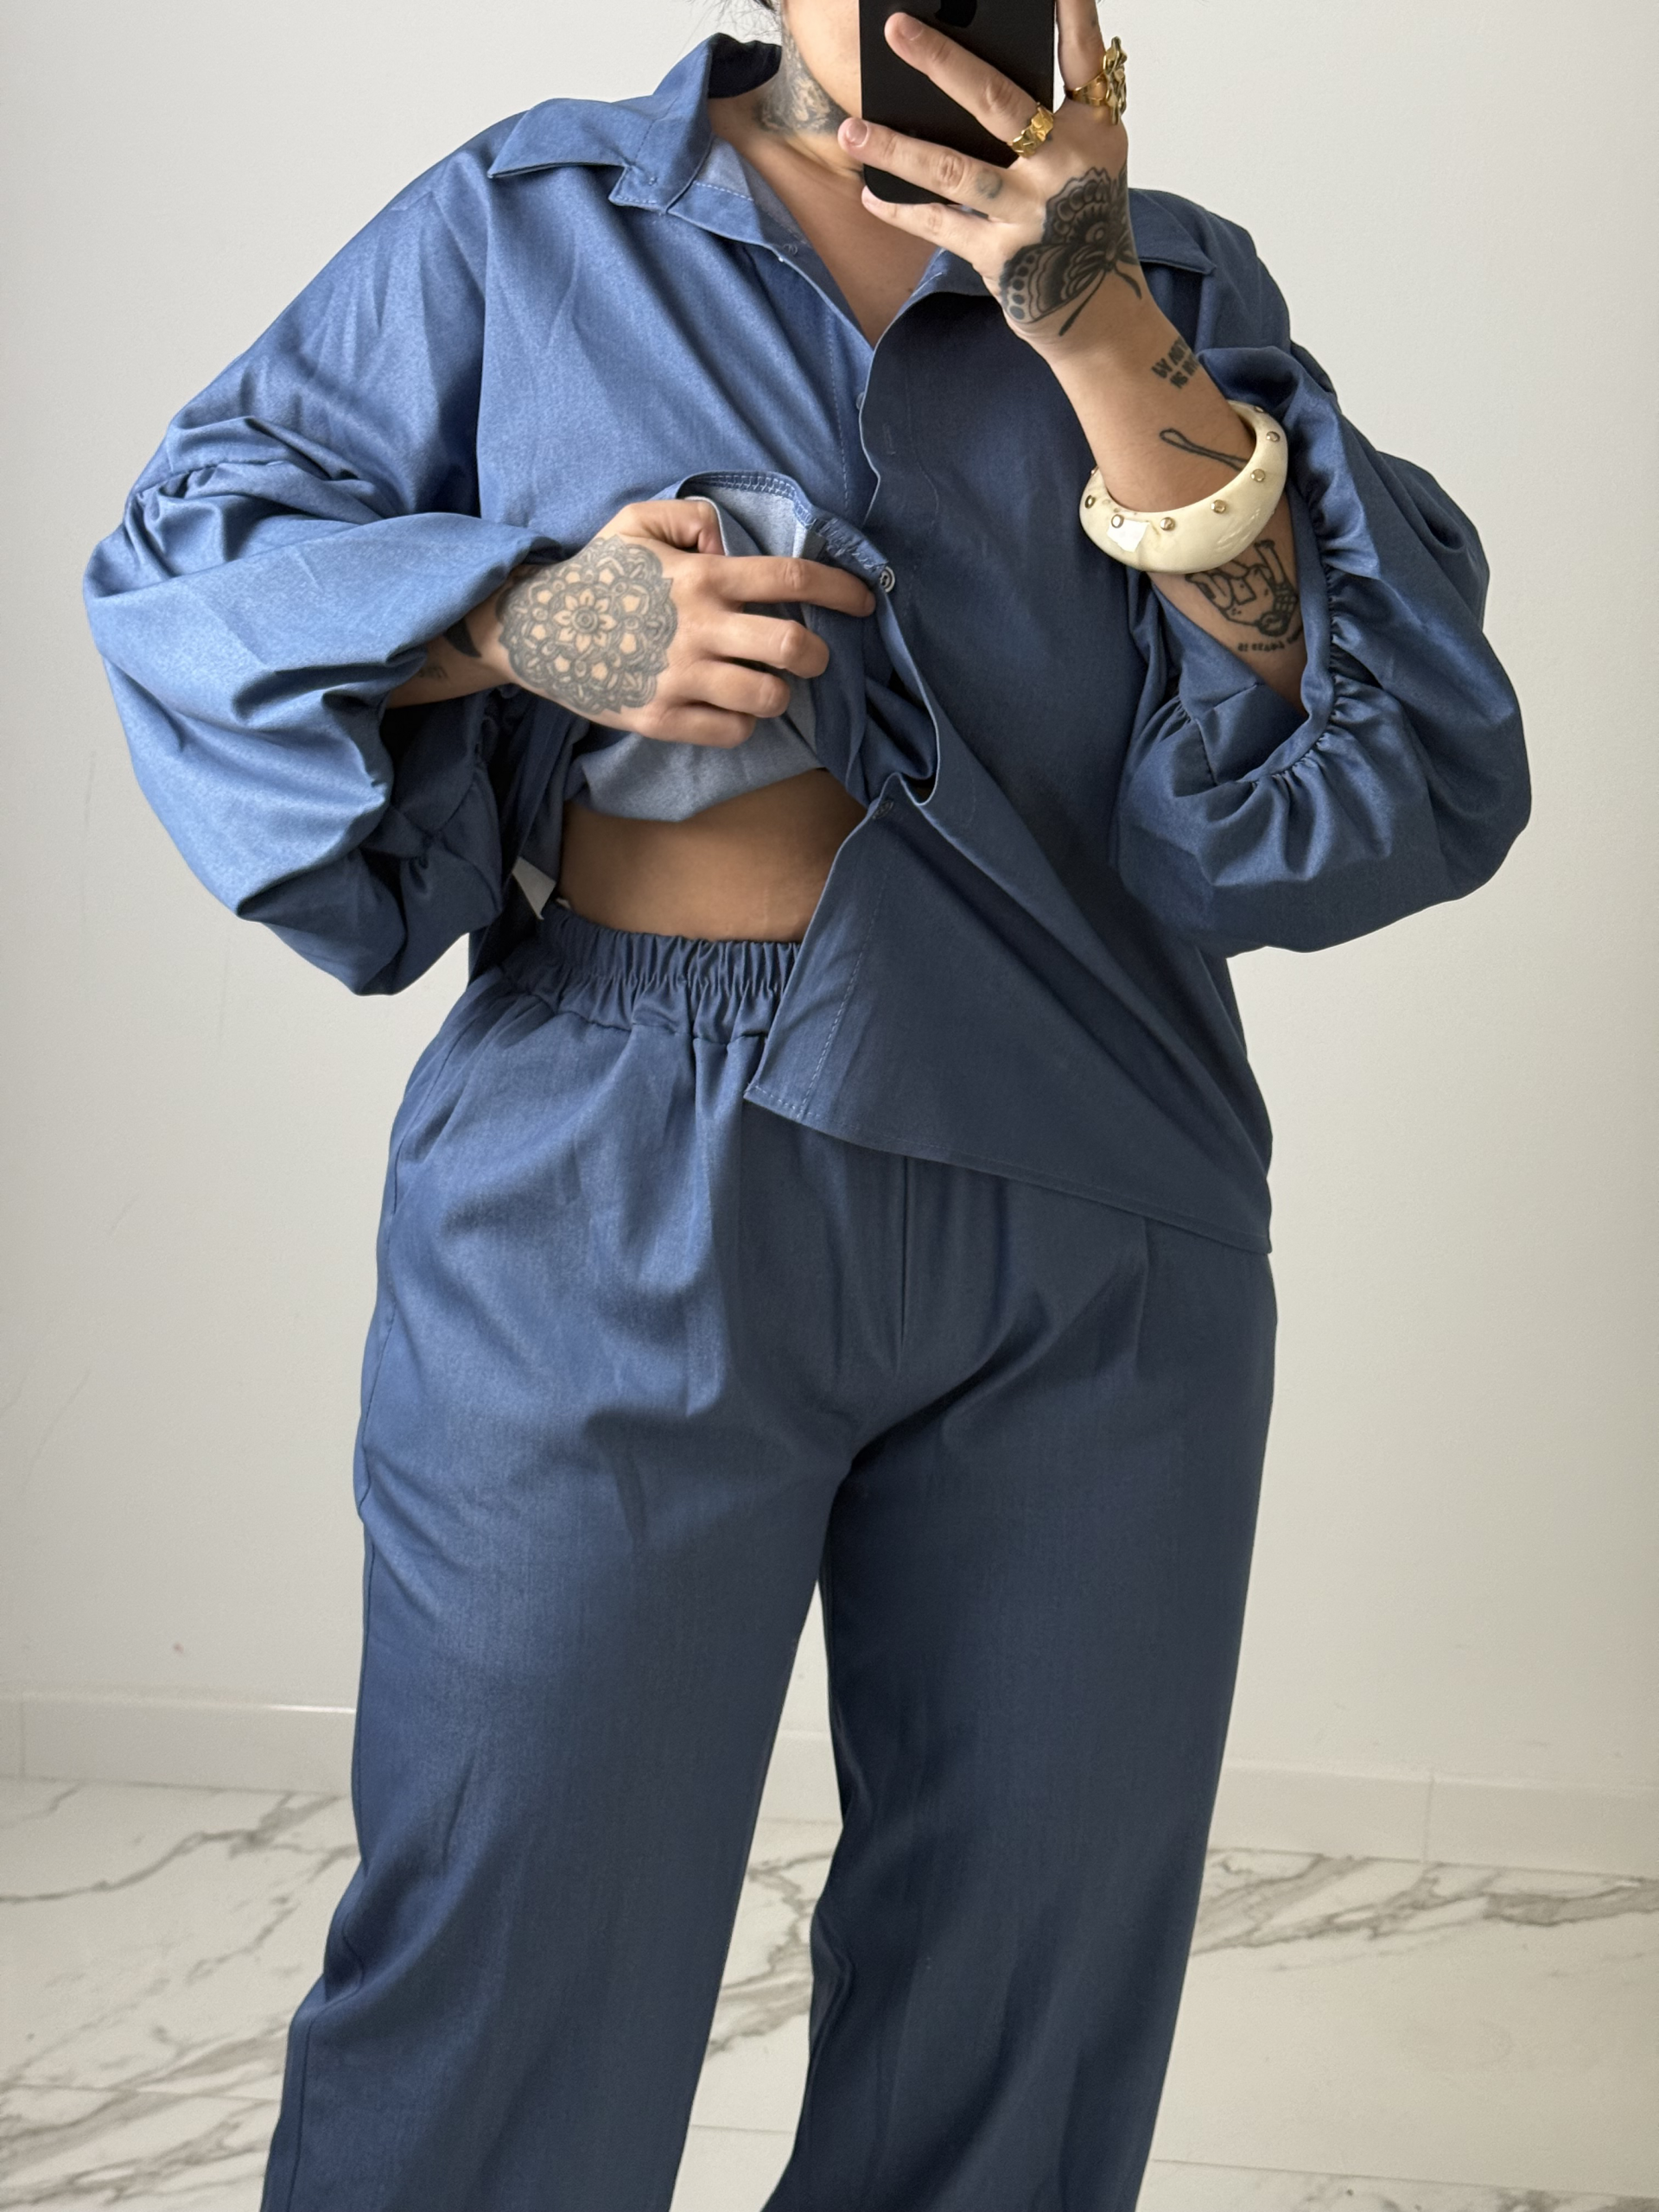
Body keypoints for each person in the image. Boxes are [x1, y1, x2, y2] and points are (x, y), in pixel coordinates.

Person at [83, 3, 1529, 2206]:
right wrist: (533, 621)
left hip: (1097, 1180)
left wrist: (1091, 317)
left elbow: (1385, 750)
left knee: (1023, 1996)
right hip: (611, 1163)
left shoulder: (1174, 278)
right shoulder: (534, 219)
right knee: (508, 1947)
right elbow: (191, 568)